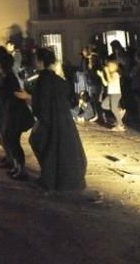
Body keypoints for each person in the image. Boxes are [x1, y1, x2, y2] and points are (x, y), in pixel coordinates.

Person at [28, 47, 87, 192]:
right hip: (63, 120)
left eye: (36, 60)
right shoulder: (55, 78)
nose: (34, 62)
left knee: (45, 146)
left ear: (41, 62)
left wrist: (32, 104)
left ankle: (50, 180)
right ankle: (55, 179)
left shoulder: (44, 79)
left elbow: (40, 102)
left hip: (49, 120)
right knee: (59, 149)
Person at [0, 50, 33, 180]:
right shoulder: (7, 76)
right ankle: (16, 167)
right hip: (10, 112)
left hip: (15, 114)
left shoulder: (9, 77)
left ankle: (21, 170)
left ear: (1, 64)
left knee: (13, 141)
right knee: (10, 140)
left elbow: (13, 94)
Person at [98, 58, 126, 131]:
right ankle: (119, 110)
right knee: (104, 105)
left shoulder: (116, 74)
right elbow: (106, 84)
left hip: (115, 94)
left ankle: (121, 125)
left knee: (113, 109)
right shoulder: (110, 74)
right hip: (110, 94)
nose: (108, 67)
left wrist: (106, 72)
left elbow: (110, 80)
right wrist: (101, 76)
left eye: (109, 66)